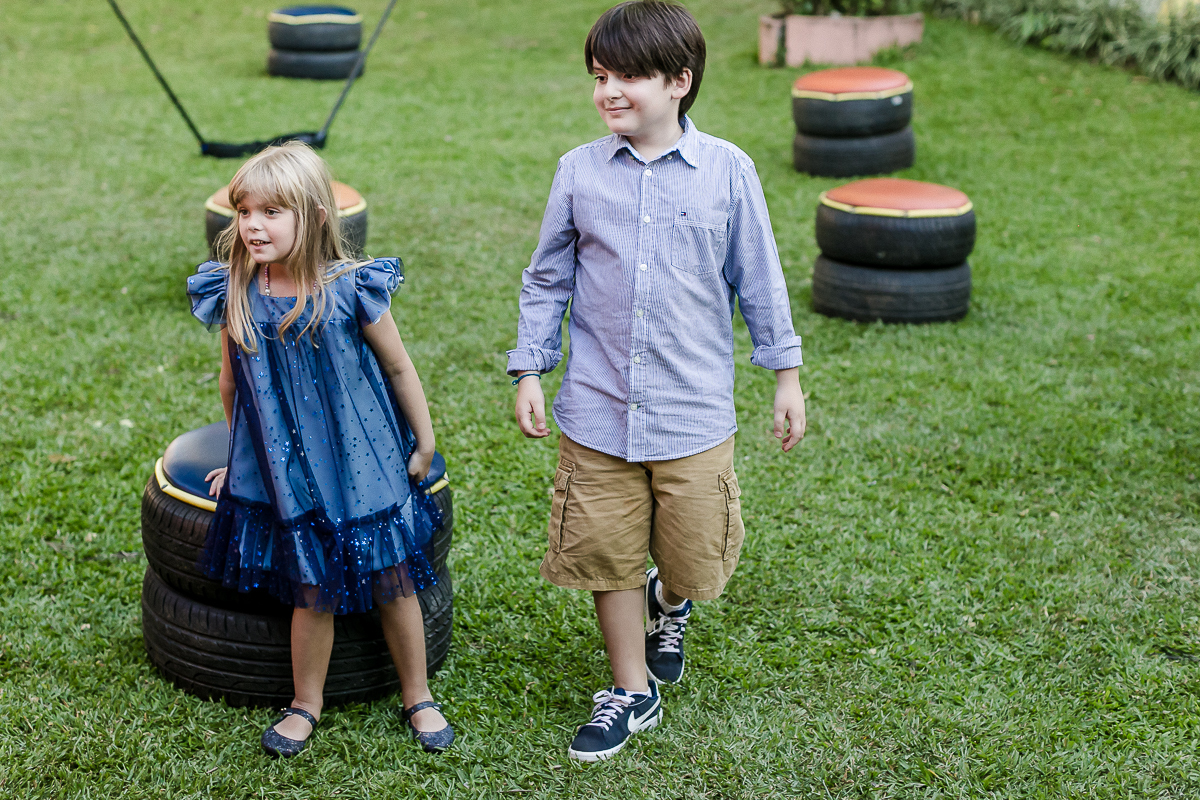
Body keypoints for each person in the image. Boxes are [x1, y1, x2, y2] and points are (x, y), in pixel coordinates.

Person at [508, 0, 806, 762]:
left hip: (693, 415)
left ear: (680, 80)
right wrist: (531, 367)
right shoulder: (579, 171)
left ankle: (668, 603)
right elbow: (547, 279)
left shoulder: (728, 172)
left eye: (629, 76)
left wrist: (786, 377)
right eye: (599, 75)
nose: (609, 90)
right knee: (606, 553)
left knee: (693, 561)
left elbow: (761, 281)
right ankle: (631, 691)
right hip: (599, 411)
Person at [186, 142, 453, 757]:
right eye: (244, 211)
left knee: (394, 580)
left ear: (311, 216)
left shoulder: (351, 286)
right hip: (285, 468)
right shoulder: (235, 291)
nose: (252, 225)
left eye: (271, 212)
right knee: (311, 589)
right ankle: (306, 702)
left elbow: (399, 368)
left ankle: (418, 694)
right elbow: (233, 384)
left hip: (363, 460)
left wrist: (425, 440)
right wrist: (240, 457)